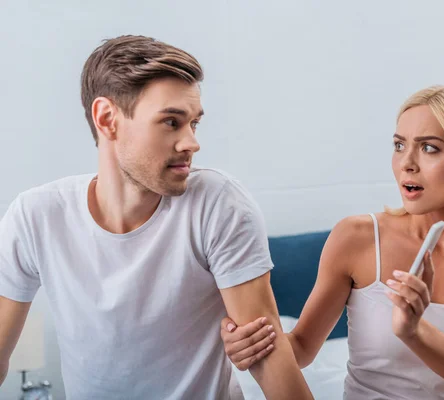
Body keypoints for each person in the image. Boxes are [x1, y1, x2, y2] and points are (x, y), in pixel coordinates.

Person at [0, 35, 313, 400]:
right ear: (107, 119)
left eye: (193, 123)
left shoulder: (217, 205)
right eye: (170, 122)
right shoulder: (37, 216)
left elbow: (269, 358)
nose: (192, 142)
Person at [220, 86, 444, 400]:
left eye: (429, 148)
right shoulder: (356, 237)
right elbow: (303, 348)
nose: (406, 164)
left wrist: (413, 330)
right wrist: (249, 348)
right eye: (399, 145)